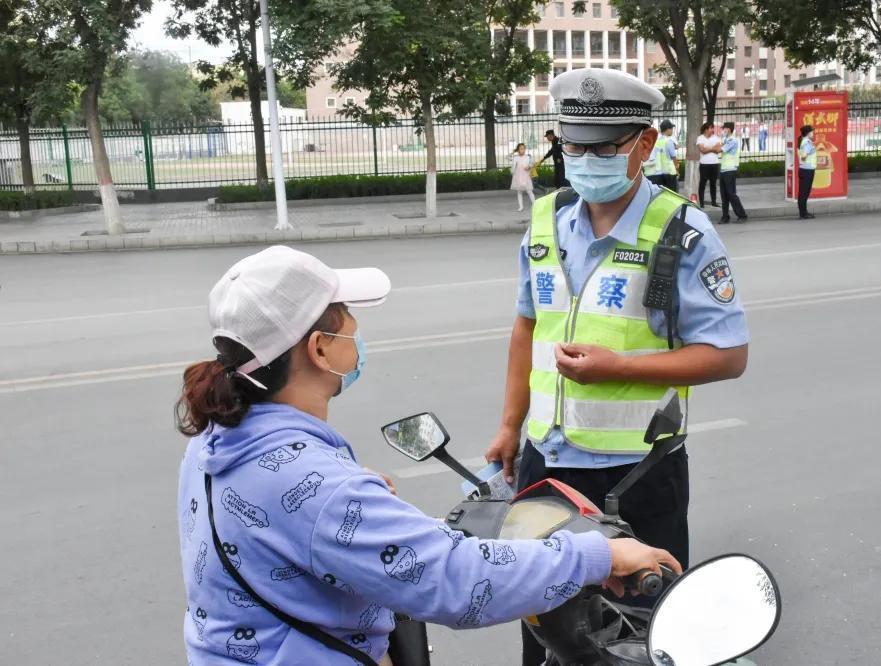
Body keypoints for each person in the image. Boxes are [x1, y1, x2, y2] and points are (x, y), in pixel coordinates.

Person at [176, 245, 680, 665]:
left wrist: (346, 495)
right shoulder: (323, 487)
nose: (357, 329)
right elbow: (456, 580)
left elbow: (275, 524)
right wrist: (601, 555)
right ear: (321, 349)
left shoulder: (212, 444)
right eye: (347, 318)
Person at [483, 68, 750, 666]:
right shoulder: (546, 219)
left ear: (645, 144)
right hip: (545, 463)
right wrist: (510, 424)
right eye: (572, 145)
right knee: (543, 622)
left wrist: (619, 366)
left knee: (640, 634)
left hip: (638, 472)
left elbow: (729, 355)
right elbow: (527, 326)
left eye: (604, 147)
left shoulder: (682, 232)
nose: (584, 159)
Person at [718, 122, 748, 224]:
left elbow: (719, 149)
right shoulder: (725, 139)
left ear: (729, 129)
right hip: (723, 169)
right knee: (724, 195)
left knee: (731, 194)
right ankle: (725, 216)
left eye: (724, 129)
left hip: (730, 170)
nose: (723, 130)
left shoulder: (733, 140)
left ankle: (742, 215)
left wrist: (707, 149)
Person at [642, 119, 680, 192]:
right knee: (672, 194)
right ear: (667, 129)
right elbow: (673, 157)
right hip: (668, 172)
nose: (672, 130)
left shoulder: (657, 141)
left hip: (656, 173)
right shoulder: (668, 141)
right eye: (671, 128)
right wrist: (677, 169)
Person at [696, 122, 722, 207]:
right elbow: (702, 150)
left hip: (715, 164)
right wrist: (712, 148)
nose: (713, 130)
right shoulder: (700, 138)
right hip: (704, 164)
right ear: (706, 129)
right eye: (711, 128)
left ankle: (713, 202)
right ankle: (702, 203)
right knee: (702, 183)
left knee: (713, 184)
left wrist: (707, 148)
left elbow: (718, 150)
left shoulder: (716, 138)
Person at [798, 124, 816, 219]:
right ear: (808, 133)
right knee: (804, 193)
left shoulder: (803, 141)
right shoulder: (807, 143)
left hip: (804, 169)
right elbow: (804, 155)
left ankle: (803, 212)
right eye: (812, 131)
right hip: (807, 170)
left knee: (803, 192)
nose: (813, 133)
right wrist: (805, 157)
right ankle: (803, 213)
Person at [511, 143, 535, 211]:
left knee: (529, 191)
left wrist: (529, 166)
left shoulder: (528, 156)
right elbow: (508, 157)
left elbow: (532, 163)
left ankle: (534, 204)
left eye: (524, 148)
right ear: (518, 150)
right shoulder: (515, 157)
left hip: (526, 176)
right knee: (519, 192)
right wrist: (513, 152)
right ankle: (521, 207)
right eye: (521, 149)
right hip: (518, 176)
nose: (523, 150)